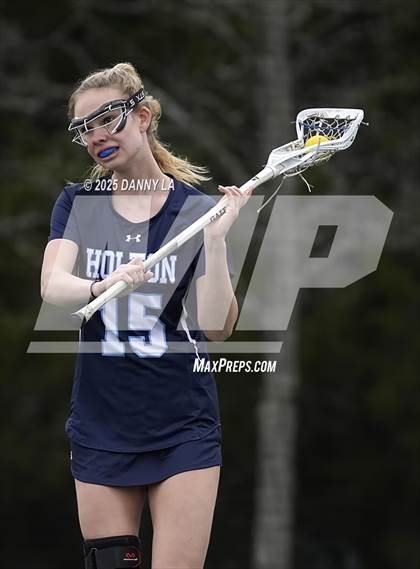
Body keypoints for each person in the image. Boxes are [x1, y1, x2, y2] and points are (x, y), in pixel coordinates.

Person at [40, 62, 248, 569]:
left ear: (144, 117)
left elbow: (218, 327)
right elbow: (53, 286)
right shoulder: (78, 203)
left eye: (107, 119)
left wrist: (215, 244)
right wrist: (101, 284)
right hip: (101, 424)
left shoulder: (197, 212)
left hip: (182, 426)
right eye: (84, 128)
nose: (96, 135)